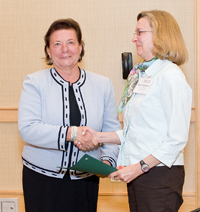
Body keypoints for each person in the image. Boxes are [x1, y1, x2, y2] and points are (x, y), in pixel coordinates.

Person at [76, 10, 192, 212]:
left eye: (140, 32)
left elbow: (177, 138)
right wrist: (99, 136)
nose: (134, 38)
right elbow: (137, 131)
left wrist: (139, 168)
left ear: (160, 35)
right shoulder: (144, 74)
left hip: (159, 175)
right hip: (140, 172)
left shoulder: (171, 76)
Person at [18, 18, 121, 212]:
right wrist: (72, 133)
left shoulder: (102, 84)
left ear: (81, 47)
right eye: (57, 44)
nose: (64, 49)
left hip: (85, 180)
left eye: (71, 42)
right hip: (42, 181)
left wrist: (107, 161)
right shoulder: (34, 82)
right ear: (48, 51)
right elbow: (28, 129)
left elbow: (111, 129)